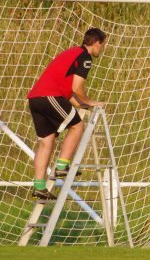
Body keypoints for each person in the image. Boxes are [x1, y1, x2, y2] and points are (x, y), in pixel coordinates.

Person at [27, 28, 106, 200]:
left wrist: (83, 104)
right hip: (50, 96)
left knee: (46, 142)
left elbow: (68, 93)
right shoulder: (85, 57)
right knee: (77, 126)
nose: (102, 49)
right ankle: (63, 165)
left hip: (35, 98)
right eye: (103, 45)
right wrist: (91, 101)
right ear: (97, 43)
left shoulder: (71, 52)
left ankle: (39, 186)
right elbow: (76, 88)